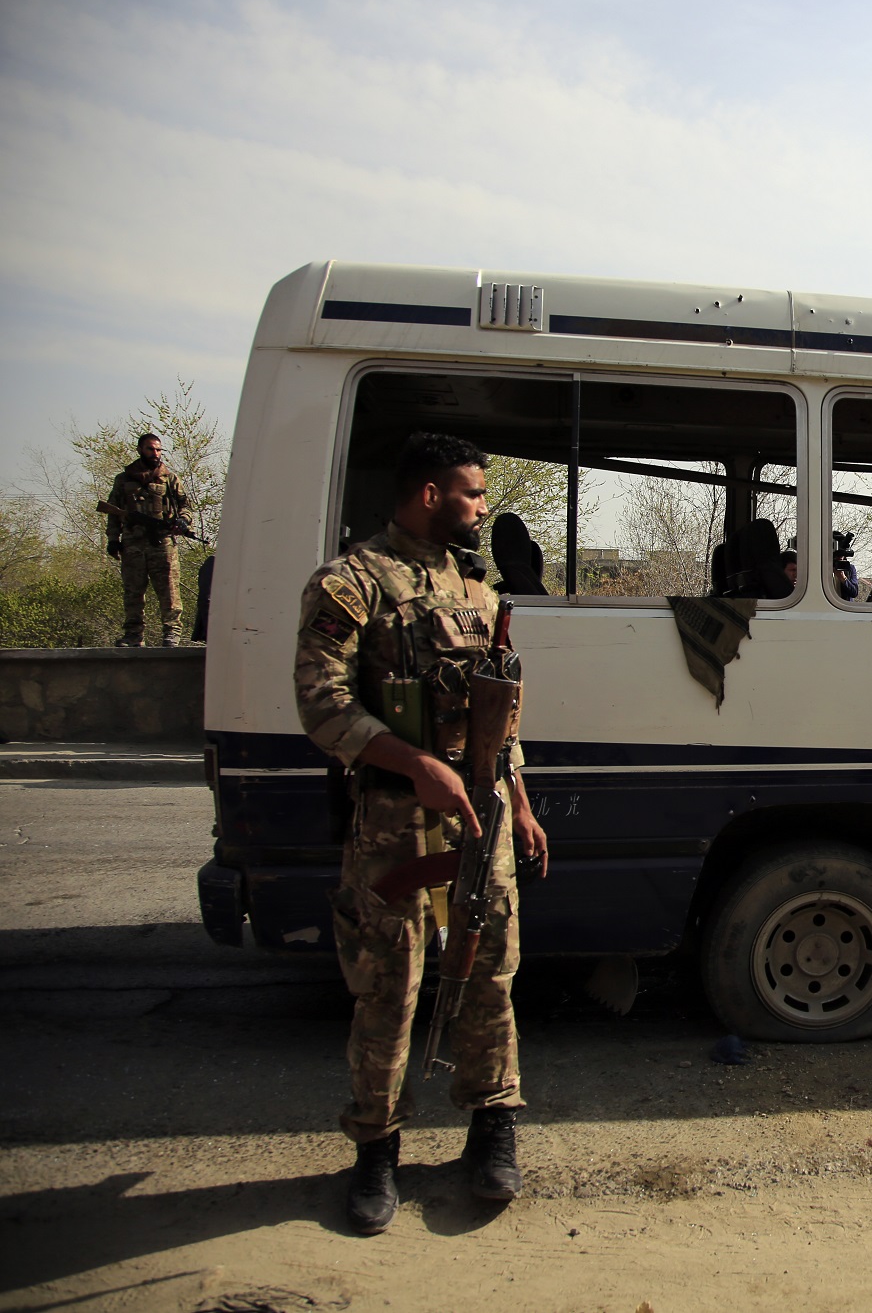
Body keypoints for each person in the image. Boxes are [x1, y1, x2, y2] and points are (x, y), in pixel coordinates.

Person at [294, 432, 550, 1236]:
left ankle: (493, 1127)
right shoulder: (351, 582)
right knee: (390, 984)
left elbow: (500, 711)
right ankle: (375, 1150)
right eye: (473, 492)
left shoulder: (475, 587)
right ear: (430, 494)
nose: (484, 505)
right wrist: (412, 763)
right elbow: (322, 704)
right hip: (396, 817)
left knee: (489, 972)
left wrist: (521, 795)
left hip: (484, 807)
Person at [105, 433, 190, 646]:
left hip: (162, 544)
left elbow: (185, 506)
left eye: (159, 450)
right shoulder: (124, 480)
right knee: (133, 592)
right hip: (133, 544)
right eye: (151, 449)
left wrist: (183, 521)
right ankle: (133, 635)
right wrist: (113, 539)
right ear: (140, 450)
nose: (156, 454)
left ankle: (172, 633)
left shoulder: (169, 478)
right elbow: (113, 512)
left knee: (169, 591)